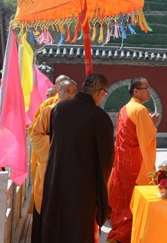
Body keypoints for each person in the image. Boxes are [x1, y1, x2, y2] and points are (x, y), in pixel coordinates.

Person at [41, 73, 114, 243]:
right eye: (105, 93)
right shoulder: (99, 117)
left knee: (56, 224)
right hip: (82, 186)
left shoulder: (60, 109)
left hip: (56, 179)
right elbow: (106, 160)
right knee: (78, 229)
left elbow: (54, 144)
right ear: (100, 91)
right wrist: (101, 193)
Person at [107, 78, 160, 243]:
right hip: (136, 165)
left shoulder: (125, 108)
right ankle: (123, 237)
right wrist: (152, 124)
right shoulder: (140, 110)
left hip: (123, 163)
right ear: (136, 91)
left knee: (123, 202)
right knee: (134, 204)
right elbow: (146, 139)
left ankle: (117, 235)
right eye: (145, 88)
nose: (148, 91)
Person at [29, 79, 77, 243]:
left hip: (71, 169)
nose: (70, 95)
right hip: (50, 166)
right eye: (67, 91)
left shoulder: (80, 113)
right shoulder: (48, 110)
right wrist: (56, 146)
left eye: (73, 91)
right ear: (59, 92)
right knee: (47, 206)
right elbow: (35, 135)